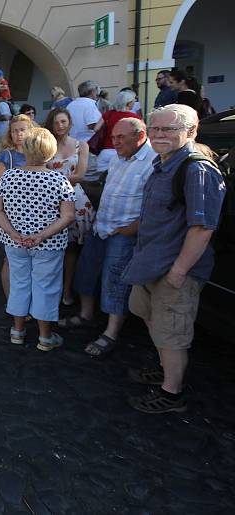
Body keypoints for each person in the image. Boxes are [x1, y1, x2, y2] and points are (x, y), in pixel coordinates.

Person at [122, 104, 226, 413]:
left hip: (172, 269)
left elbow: (202, 228)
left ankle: (171, 394)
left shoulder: (197, 170)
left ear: (191, 131)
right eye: (155, 128)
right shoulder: (163, 161)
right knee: (148, 315)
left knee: (172, 335)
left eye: (168, 129)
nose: (159, 134)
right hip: (150, 263)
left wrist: (179, 271)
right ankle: (166, 369)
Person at [68, 118, 156, 356]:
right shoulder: (118, 157)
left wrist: (133, 228)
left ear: (139, 136)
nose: (115, 142)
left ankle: (111, 333)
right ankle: (87, 315)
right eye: (113, 137)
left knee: (114, 281)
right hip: (101, 226)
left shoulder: (152, 161)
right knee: (86, 272)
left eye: (120, 138)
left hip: (123, 232)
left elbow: (155, 205)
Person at [0, 128, 76, 351]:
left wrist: (11, 232)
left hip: (15, 243)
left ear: (25, 150)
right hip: (48, 244)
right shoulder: (59, 179)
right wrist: (42, 235)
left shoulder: (9, 176)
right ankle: (45, 337)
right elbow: (67, 216)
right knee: (45, 287)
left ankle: (17, 331)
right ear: (51, 152)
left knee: (19, 284)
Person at [44, 108, 94, 306]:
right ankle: (52, 291)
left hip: (76, 202)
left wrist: (54, 180)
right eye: (56, 122)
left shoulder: (81, 145)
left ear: (70, 122)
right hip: (52, 203)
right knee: (53, 250)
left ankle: (67, 290)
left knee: (73, 249)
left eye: (63, 122)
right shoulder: (46, 146)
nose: (60, 126)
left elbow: (80, 174)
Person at [0, 114, 35, 299]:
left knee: (32, 260)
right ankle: (11, 299)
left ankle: (28, 299)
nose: (19, 134)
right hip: (13, 214)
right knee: (11, 259)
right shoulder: (7, 156)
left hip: (36, 214)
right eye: (15, 130)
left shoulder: (37, 153)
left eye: (22, 129)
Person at [94, 90, 140, 173]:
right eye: (134, 101)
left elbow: (96, 129)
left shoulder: (108, 114)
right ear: (128, 103)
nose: (134, 103)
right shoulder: (134, 117)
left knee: (104, 182)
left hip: (105, 152)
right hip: (123, 153)